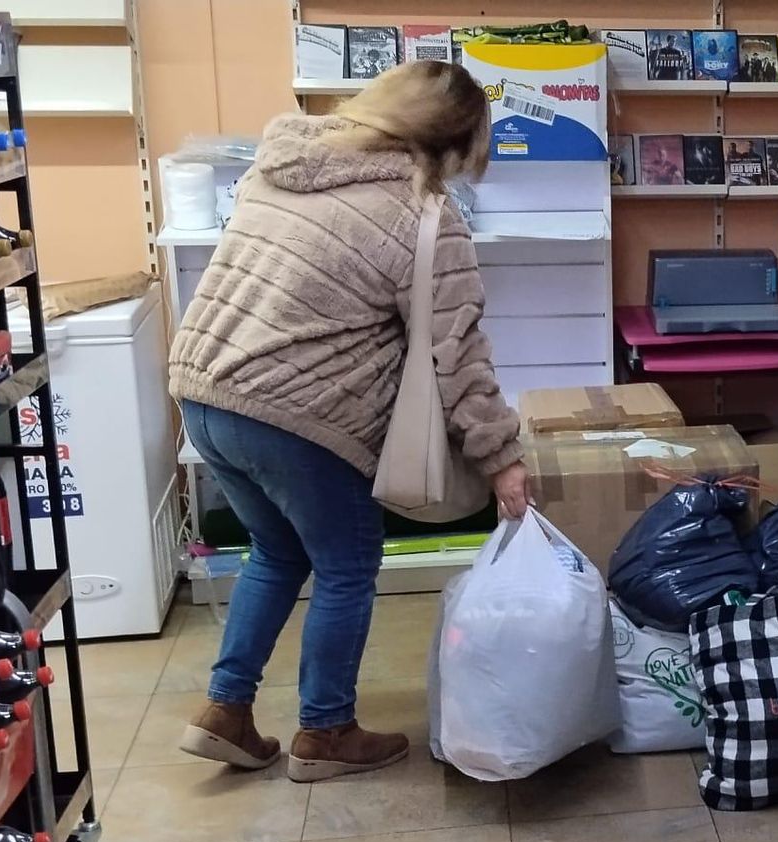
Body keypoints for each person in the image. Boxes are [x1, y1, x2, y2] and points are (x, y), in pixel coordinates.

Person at [166, 61, 530, 783]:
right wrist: (502, 458)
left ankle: (226, 711)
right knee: (346, 563)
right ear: (459, 138)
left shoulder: (281, 164)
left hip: (204, 390)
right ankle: (325, 730)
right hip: (295, 412)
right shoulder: (425, 214)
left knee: (275, 551)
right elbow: (458, 355)